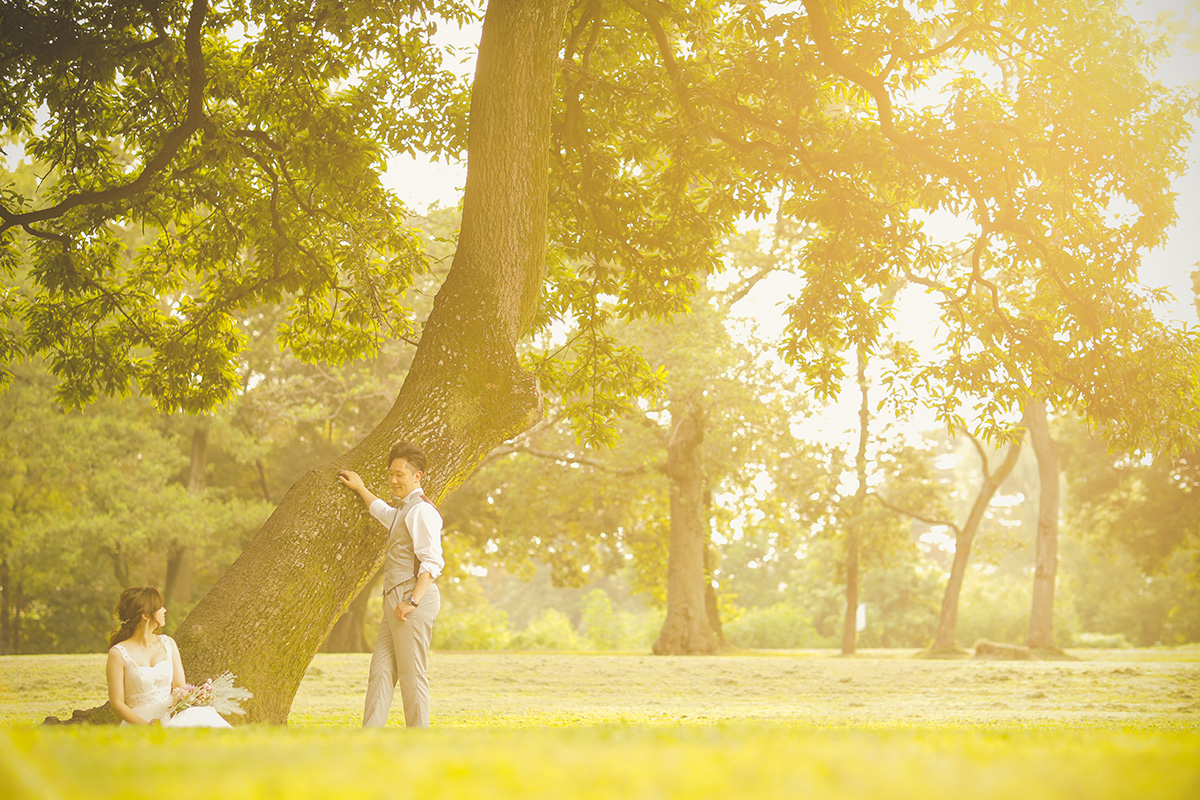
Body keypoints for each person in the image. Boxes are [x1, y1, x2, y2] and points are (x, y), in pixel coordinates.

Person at [338, 440, 444, 728]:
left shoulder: (422, 511)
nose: (393, 480)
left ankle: (418, 739)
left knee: (412, 675)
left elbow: (431, 563)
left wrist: (411, 602)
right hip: (395, 602)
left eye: (400, 474)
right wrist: (360, 488)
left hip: (411, 600)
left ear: (417, 476)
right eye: (391, 474)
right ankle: (369, 737)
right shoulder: (404, 510)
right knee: (381, 671)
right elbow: (383, 512)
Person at [105, 586, 232, 728]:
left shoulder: (168, 643)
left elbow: (179, 687)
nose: (164, 610)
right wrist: (146, 725)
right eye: (160, 607)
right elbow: (117, 703)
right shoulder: (118, 653)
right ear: (145, 615)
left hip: (170, 711)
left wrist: (190, 699)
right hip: (139, 719)